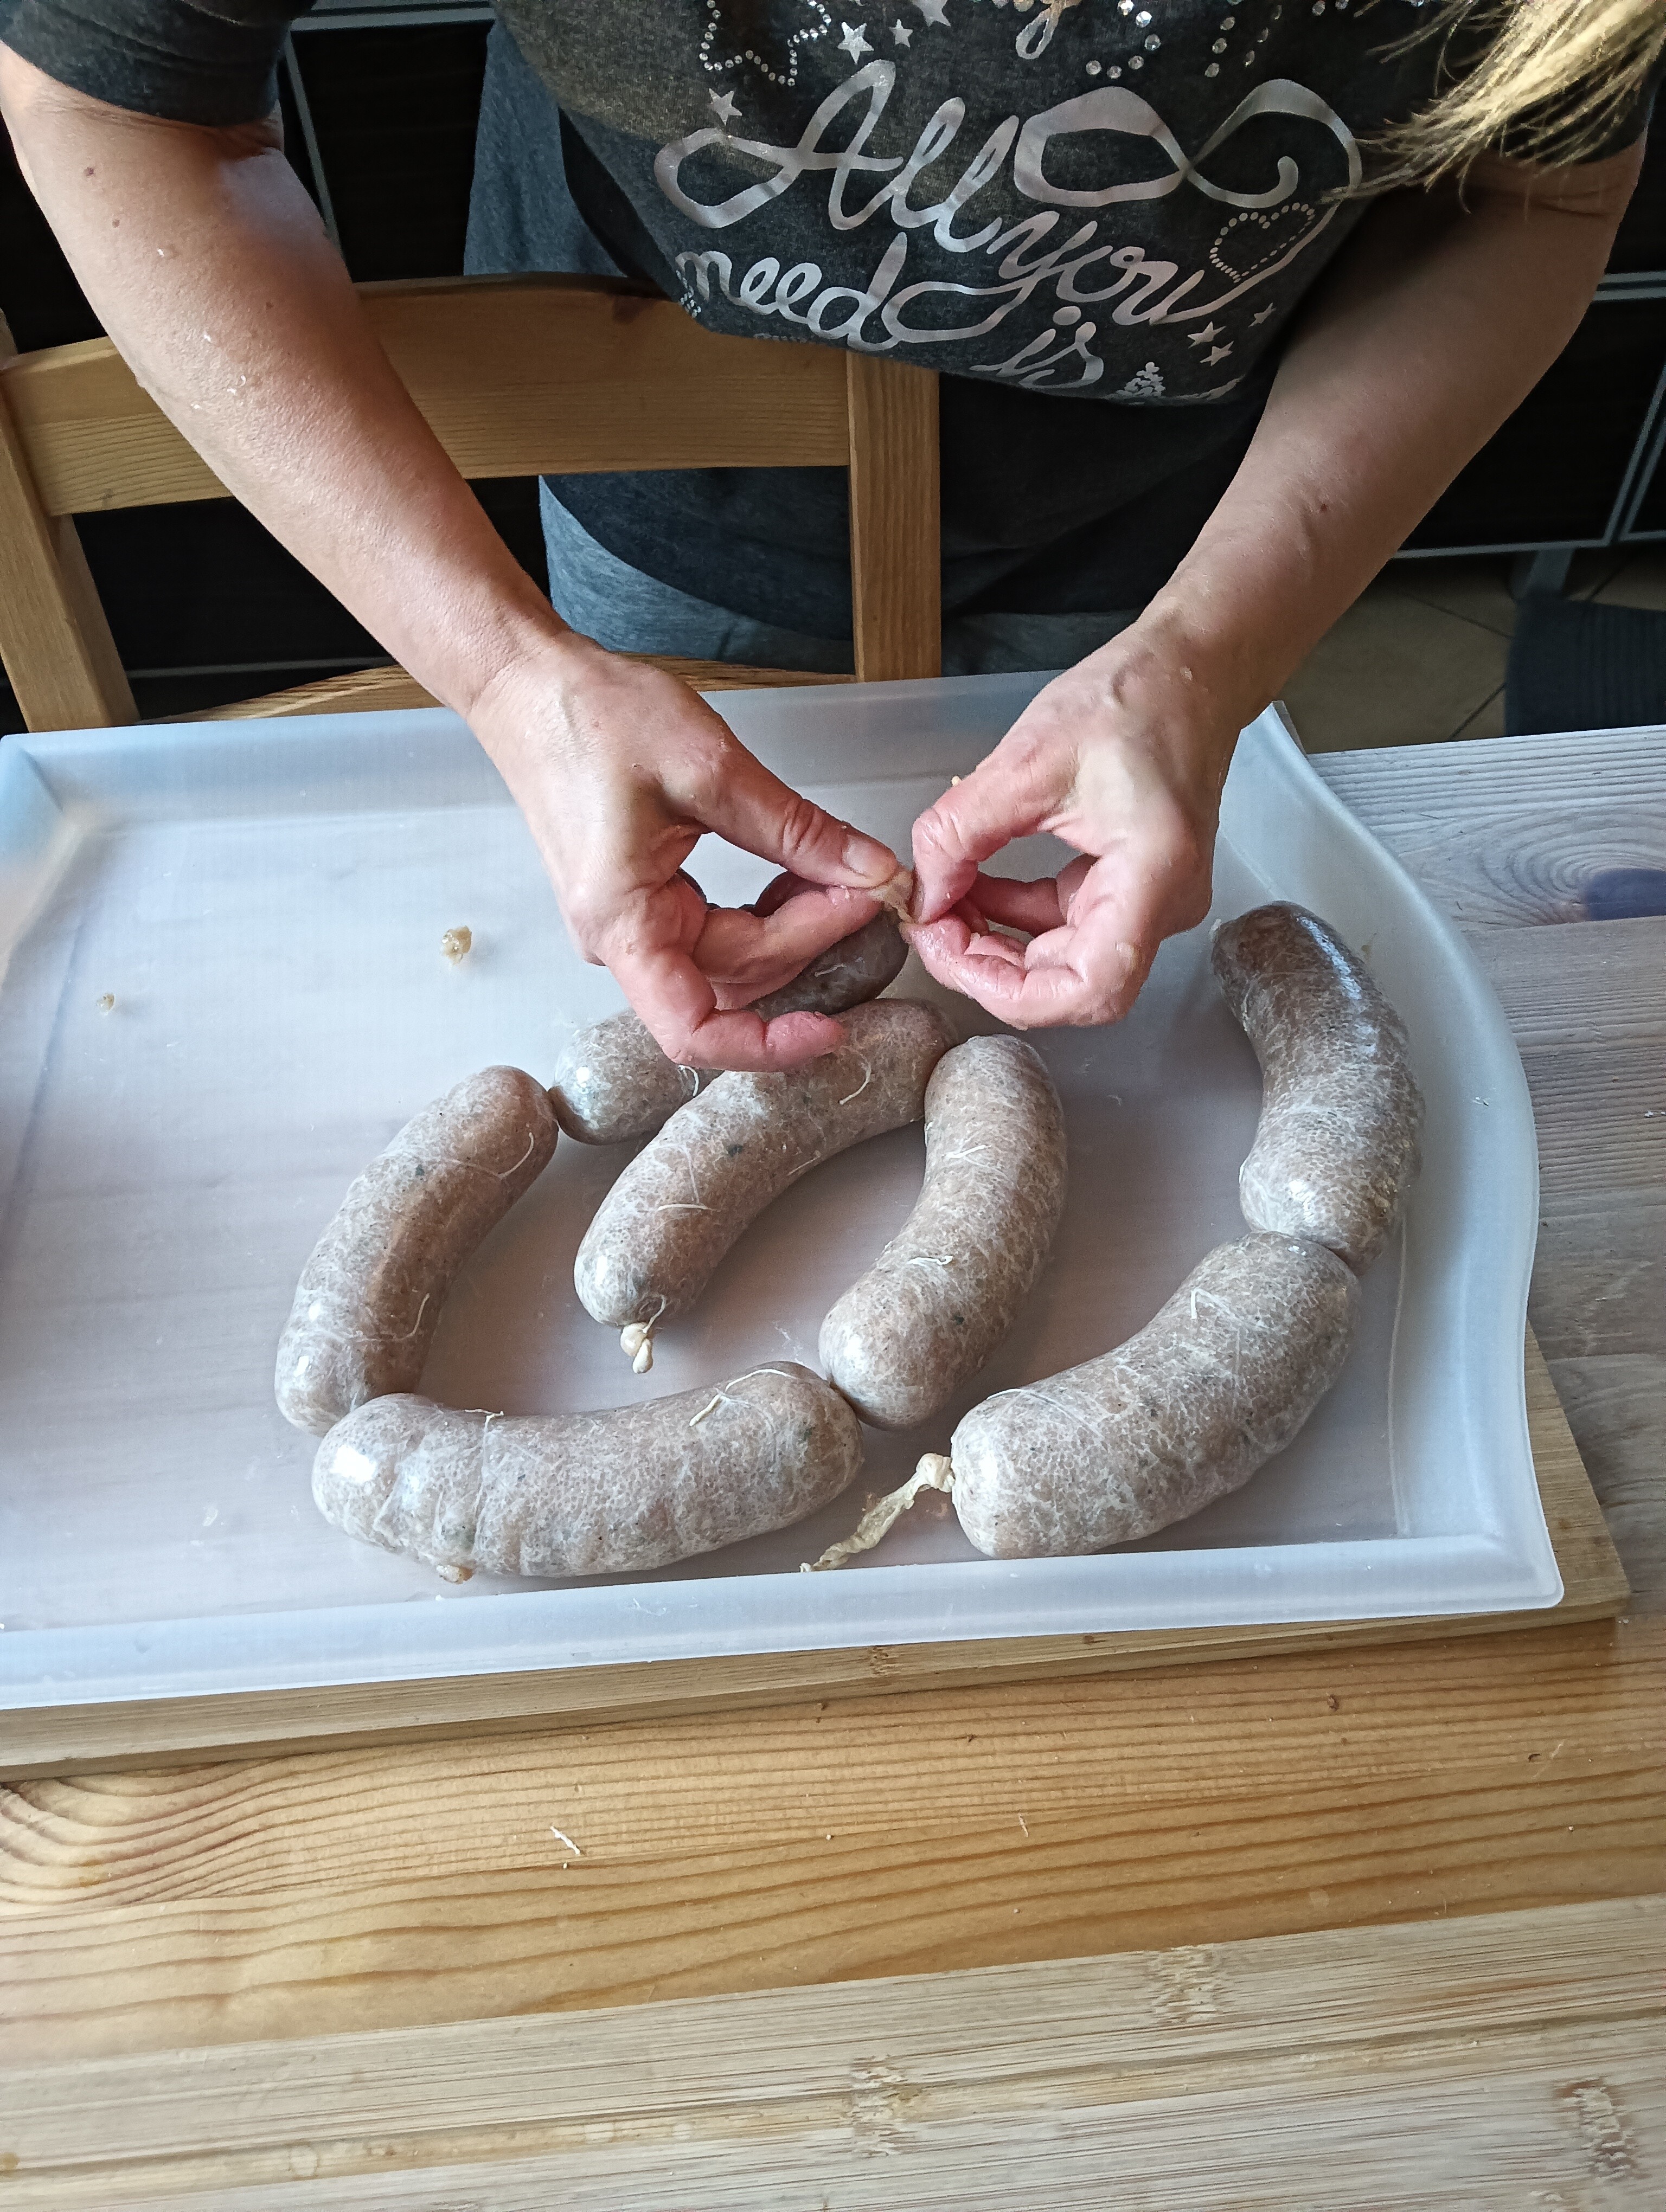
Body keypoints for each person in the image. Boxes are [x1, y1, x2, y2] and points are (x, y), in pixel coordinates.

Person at [1, 1, 1658, 1065]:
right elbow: (114, 104)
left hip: (1193, 514)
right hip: (663, 475)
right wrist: (512, 679)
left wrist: (1205, 655)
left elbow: (1532, 187)